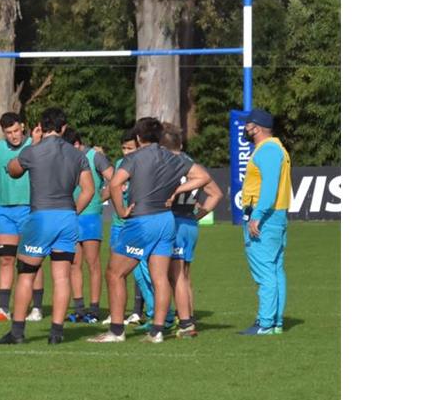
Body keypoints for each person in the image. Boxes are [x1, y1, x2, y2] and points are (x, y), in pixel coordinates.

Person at [89, 118, 211, 344]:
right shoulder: (173, 158)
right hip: (166, 221)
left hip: (141, 221)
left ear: (137, 138)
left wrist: (122, 210)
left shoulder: (133, 158)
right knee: (160, 277)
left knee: (115, 274)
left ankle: (116, 331)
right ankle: (156, 331)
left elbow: (115, 184)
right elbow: (203, 177)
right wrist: (176, 190)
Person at [0, 109, 93, 345]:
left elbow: (13, 170)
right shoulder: (77, 155)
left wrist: (33, 144)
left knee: (27, 273)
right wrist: (72, 211)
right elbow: (88, 190)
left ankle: (17, 332)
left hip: (41, 218)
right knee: (61, 277)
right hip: (67, 218)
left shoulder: (33, 151)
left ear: (40, 126)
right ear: (64, 127)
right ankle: (56, 333)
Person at [160, 124, 224, 338]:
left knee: (175, 276)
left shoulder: (167, 164)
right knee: (184, 275)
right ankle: (187, 317)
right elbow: (216, 194)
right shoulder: (192, 165)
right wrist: (198, 216)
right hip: (189, 223)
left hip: (174, 222)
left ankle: (185, 322)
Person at [0, 112, 42, 322]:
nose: (13, 136)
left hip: (29, 209)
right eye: (9, 133)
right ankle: (3, 309)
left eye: (16, 131)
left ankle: (36, 308)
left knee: (31, 259)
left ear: (23, 127)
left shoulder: (35, 144)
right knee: (6, 259)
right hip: (5, 211)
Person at [238, 108, 291, 336]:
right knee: (275, 269)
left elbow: (269, 186)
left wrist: (257, 215)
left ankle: (265, 323)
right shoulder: (275, 148)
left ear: (256, 127)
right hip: (276, 216)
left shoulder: (267, 150)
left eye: (248, 125)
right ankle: (275, 322)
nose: (245, 129)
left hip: (266, 218)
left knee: (265, 272)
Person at [62, 127, 113, 324]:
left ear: (77, 144)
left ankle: (94, 309)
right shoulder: (65, 157)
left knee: (92, 263)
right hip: (70, 215)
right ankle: (79, 309)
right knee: (74, 263)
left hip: (90, 216)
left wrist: (100, 198)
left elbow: (116, 179)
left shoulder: (95, 157)